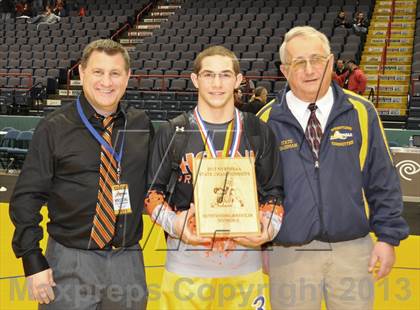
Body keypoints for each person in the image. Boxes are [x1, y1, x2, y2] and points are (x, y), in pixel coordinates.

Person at [258, 26, 409, 310]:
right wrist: (263, 245)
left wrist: (388, 238)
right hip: (290, 255)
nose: (309, 69)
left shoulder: (361, 112)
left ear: (331, 61)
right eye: (298, 62)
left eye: (317, 59)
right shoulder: (266, 121)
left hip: (352, 251)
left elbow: (383, 179)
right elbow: (258, 191)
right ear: (284, 70)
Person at [9, 39, 152, 309]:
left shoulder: (141, 124)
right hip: (69, 260)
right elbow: (26, 198)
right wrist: (32, 259)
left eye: (115, 73)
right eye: (98, 72)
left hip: (127, 260)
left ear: (128, 77)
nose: (106, 82)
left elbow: (158, 184)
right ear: (82, 73)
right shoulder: (54, 128)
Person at [145, 45, 284, 309]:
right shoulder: (172, 131)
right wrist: (175, 223)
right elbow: (152, 194)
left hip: (244, 270)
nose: (217, 84)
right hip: (185, 270)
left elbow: (274, 192)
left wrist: (268, 226)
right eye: (208, 75)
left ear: (238, 80)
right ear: (195, 79)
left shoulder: (258, 130)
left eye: (225, 75)